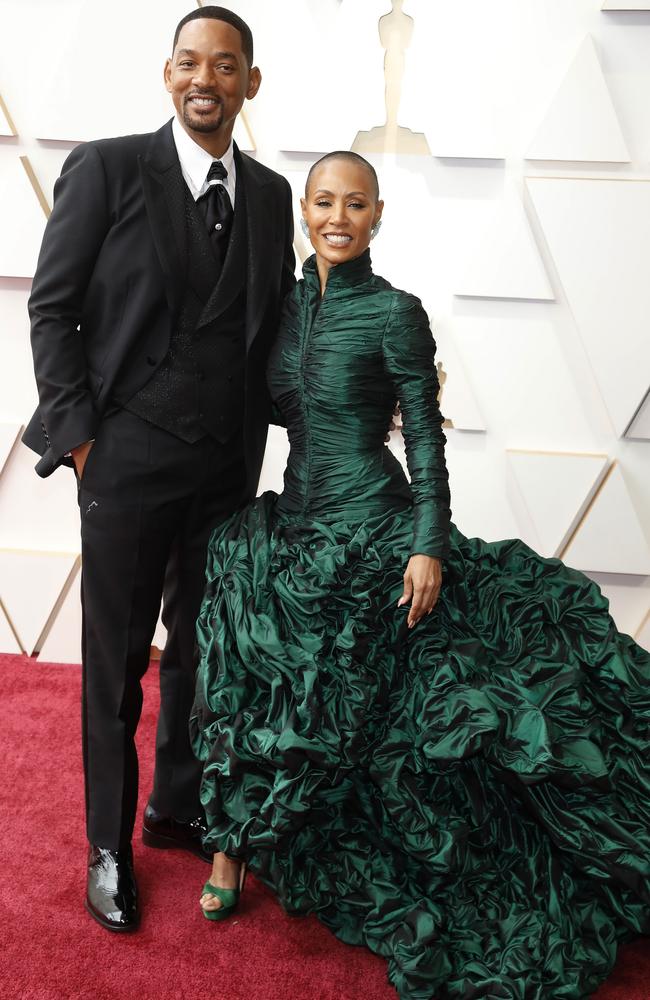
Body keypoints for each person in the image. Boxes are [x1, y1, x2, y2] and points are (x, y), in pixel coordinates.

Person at [190, 151, 650, 999]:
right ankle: (232, 846)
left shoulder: (397, 313)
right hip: (294, 524)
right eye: (323, 202)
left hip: (378, 529)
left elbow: (427, 439)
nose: (337, 217)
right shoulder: (281, 308)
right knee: (244, 635)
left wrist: (428, 542)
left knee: (400, 705)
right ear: (306, 213)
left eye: (354, 204)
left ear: (377, 214)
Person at [24, 6, 294, 933]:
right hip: (127, 457)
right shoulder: (104, 168)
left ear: (250, 83)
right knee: (114, 662)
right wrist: (85, 437)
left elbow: (271, 332)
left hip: (225, 464)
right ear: (167, 73)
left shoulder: (268, 194)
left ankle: (175, 805)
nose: (204, 78)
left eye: (225, 64)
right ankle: (107, 843)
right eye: (188, 62)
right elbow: (51, 309)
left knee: (201, 653)